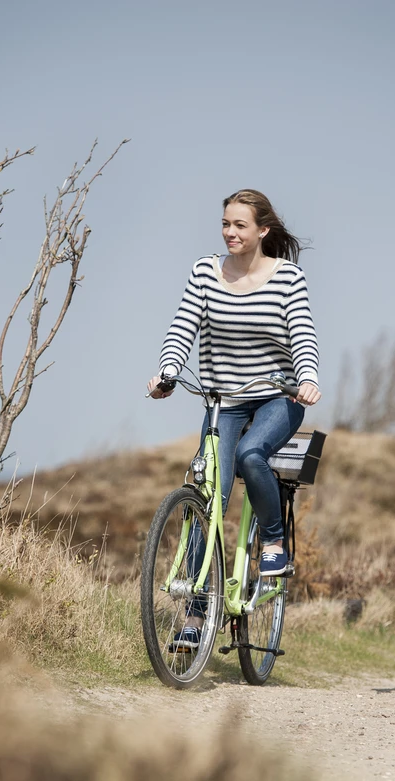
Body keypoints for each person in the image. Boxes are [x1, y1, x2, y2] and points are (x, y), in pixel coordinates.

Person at [147, 189, 321, 650]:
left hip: (277, 397)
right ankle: (195, 614)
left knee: (249, 454)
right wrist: (167, 370)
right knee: (209, 496)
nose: (230, 232)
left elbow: (302, 334)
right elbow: (182, 326)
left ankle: (273, 540)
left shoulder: (288, 278)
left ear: (262, 230)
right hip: (221, 398)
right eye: (225, 223)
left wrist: (307, 377)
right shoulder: (205, 272)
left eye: (240, 225)